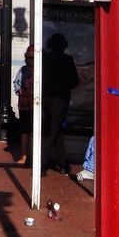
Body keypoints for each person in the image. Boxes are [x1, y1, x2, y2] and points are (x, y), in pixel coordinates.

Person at [41, 32, 80, 174]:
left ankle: (63, 163)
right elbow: (75, 81)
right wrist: (64, 86)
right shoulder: (67, 60)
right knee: (53, 131)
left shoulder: (45, 59)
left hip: (46, 97)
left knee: (55, 130)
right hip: (61, 99)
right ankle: (42, 162)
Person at [13, 45, 35, 162]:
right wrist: (19, 90)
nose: (31, 60)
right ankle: (24, 154)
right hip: (25, 103)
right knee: (25, 129)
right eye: (29, 58)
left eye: (33, 58)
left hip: (37, 103)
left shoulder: (41, 70)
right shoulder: (23, 69)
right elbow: (16, 82)